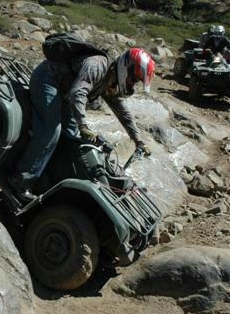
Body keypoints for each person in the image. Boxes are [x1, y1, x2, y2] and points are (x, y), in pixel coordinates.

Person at [9, 47, 155, 201]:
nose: (132, 84)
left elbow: (122, 112)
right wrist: (83, 125)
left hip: (63, 92)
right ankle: (21, 180)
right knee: (51, 131)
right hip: (47, 80)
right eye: (134, 79)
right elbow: (77, 93)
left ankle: (48, 175)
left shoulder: (111, 79)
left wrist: (138, 140)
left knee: (73, 139)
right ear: (127, 68)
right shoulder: (97, 66)